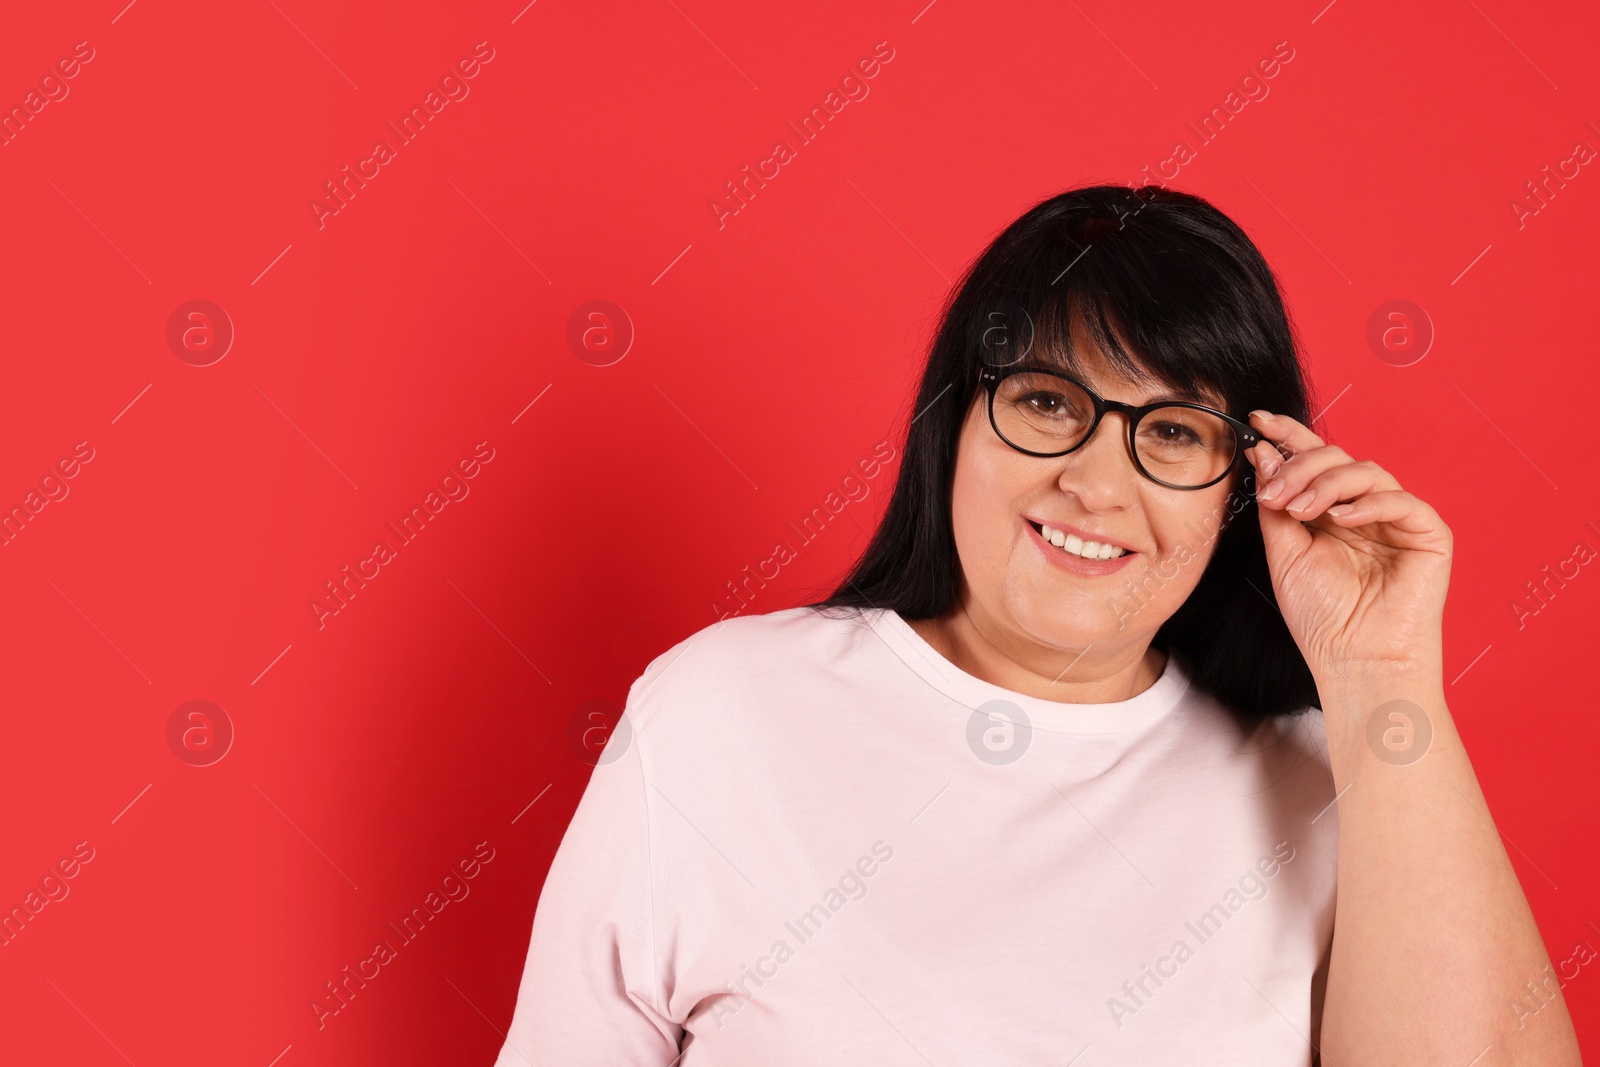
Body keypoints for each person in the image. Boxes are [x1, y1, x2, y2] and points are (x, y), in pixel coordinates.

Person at [492, 185, 1580, 1065]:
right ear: (953, 419)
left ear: (1243, 486)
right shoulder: (718, 713)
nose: (1096, 483)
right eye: (1049, 402)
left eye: (1172, 429)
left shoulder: (1331, 776)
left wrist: (1381, 673)